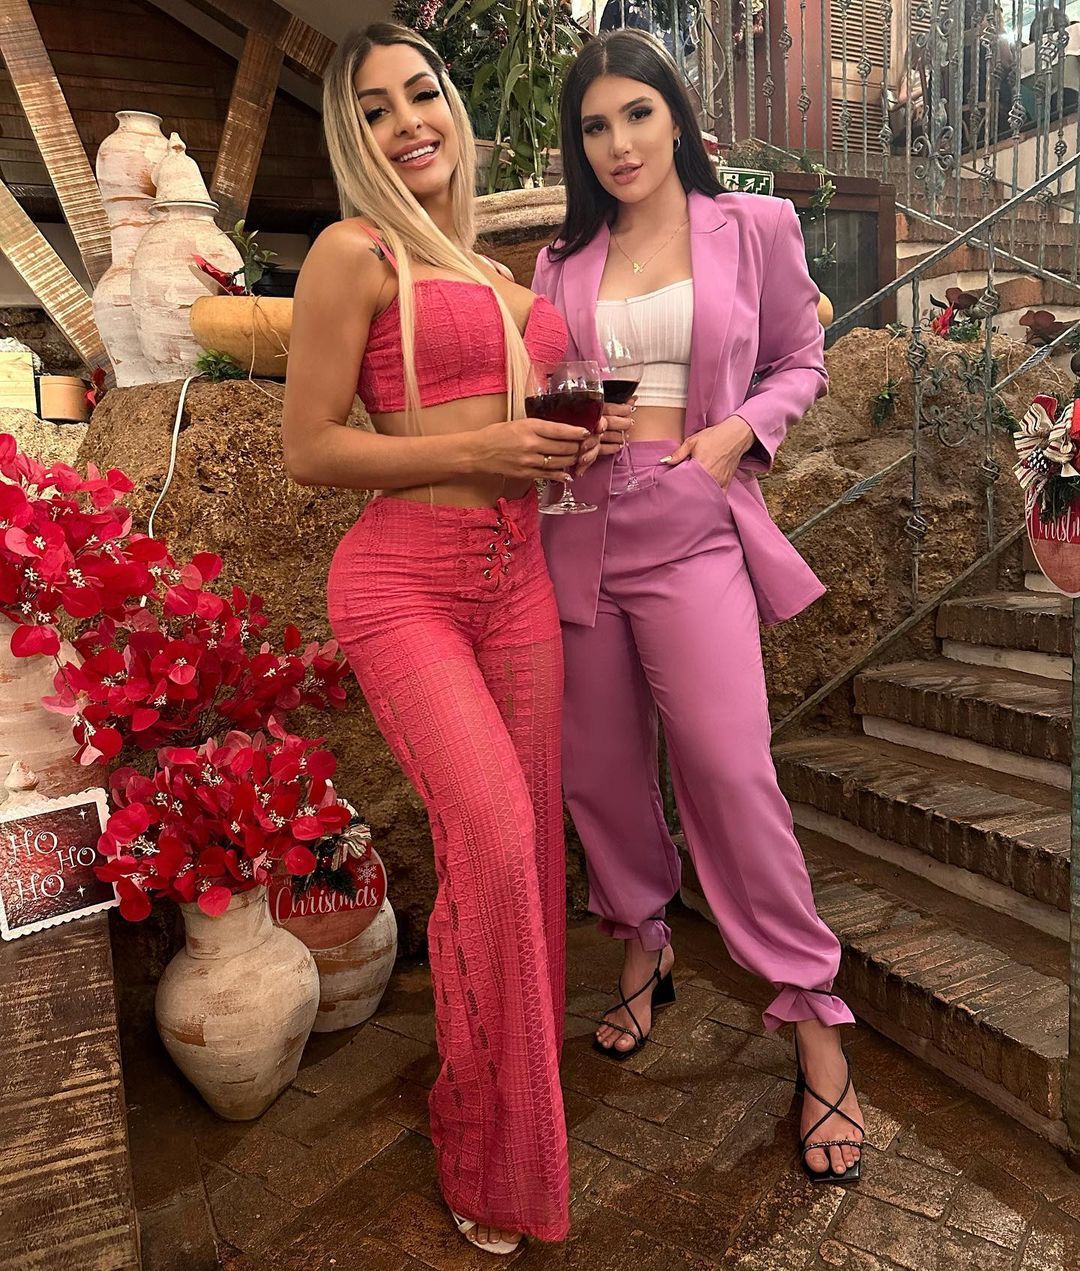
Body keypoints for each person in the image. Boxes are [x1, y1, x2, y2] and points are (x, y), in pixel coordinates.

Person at [531, 28, 865, 1184]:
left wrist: (737, 435)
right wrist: (576, 416)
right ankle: (643, 940)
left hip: (693, 534)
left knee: (728, 769)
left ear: (676, 114)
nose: (619, 143)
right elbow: (554, 397)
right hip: (581, 536)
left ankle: (815, 1017)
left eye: (637, 113)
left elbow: (803, 361)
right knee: (598, 772)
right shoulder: (561, 260)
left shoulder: (754, 226)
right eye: (595, 126)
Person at [283, 21, 594, 1253]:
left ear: (453, 109)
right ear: (352, 135)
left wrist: (566, 443)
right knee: (496, 838)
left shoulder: (500, 279)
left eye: (422, 93)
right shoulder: (353, 252)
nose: (408, 119)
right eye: (376, 107)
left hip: (518, 582)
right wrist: (482, 445)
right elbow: (310, 449)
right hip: (404, 585)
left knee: (526, 856)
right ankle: (477, 1137)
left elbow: (523, 436)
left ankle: (512, 1121)